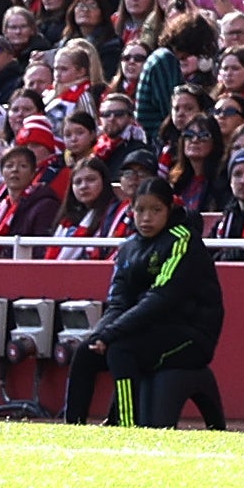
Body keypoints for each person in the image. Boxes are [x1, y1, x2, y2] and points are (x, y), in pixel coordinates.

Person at [97, 160, 226, 429]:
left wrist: (112, 333)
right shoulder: (132, 247)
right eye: (140, 210)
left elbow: (162, 299)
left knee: (121, 350)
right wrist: (101, 333)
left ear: (169, 210)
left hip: (190, 335)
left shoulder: (183, 242)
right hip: (159, 330)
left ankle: (128, 424)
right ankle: (86, 419)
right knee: (97, 350)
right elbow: (120, 298)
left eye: (155, 210)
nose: (146, 218)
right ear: (130, 211)